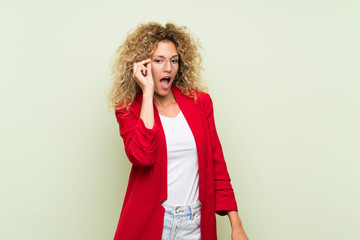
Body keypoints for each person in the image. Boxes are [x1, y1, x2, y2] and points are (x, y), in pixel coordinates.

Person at [108, 22, 249, 240]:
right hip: (154, 225)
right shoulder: (128, 109)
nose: (168, 68)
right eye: (159, 61)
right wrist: (147, 92)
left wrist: (236, 223)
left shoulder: (200, 103)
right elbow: (142, 157)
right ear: (142, 64)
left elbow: (217, 163)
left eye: (174, 60)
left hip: (195, 225)